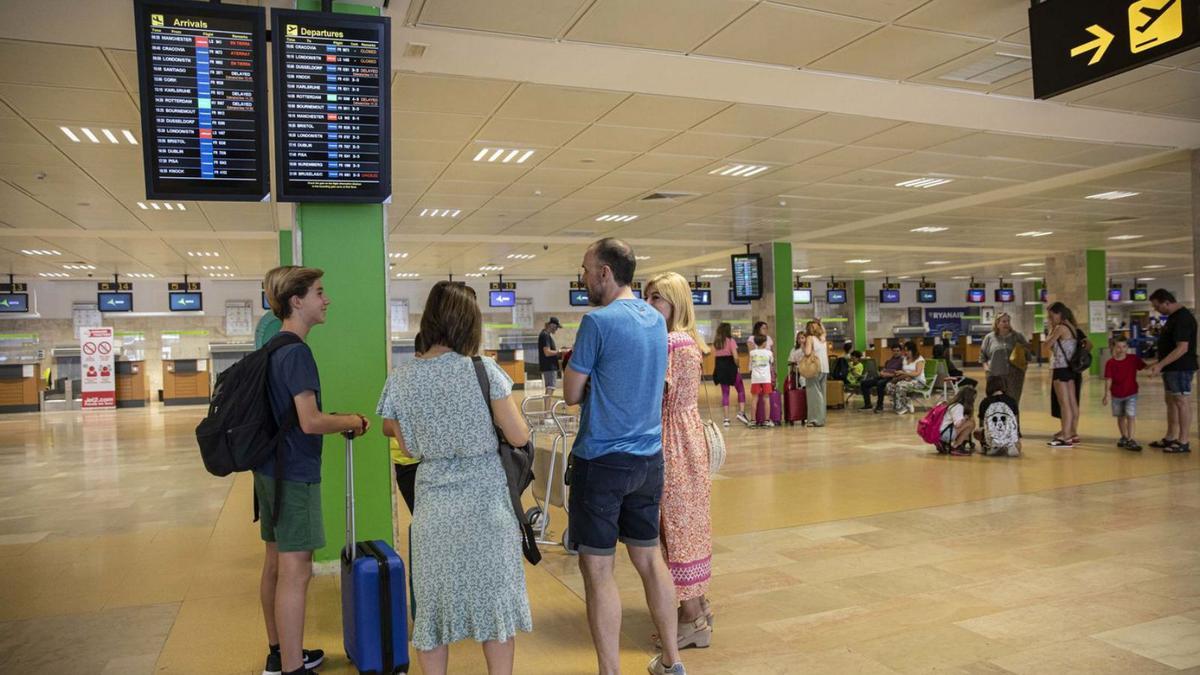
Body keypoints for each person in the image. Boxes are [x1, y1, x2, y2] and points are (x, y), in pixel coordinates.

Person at [375, 281, 533, 675]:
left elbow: (407, 447)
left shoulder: (402, 378)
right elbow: (519, 436)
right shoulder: (485, 371)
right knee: (494, 611)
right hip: (487, 510)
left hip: (434, 512)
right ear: (469, 324)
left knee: (433, 617)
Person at [562, 238, 685, 675]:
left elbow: (572, 394)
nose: (583, 278)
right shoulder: (655, 320)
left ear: (605, 274)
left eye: (586, 269)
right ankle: (672, 662)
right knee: (650, 560)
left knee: (598, 573)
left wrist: (581, 373)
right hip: (648, 461)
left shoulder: (596, 322)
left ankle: (610, 672)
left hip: (602, 462)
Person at [257, 266, 372, 675]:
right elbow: (309, 420)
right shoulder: (297, 353)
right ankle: (291, 667)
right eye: (319, 292)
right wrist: (351, 420)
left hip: (269, 471)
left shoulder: (273, 346)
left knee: (275, 561)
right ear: (296, 301)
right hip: (294, 473)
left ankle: (281, 652)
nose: (326, 300)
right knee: (296, 571)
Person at [644, 272, 714, 651]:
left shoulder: (669, 343)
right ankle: (700, 604)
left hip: (670, 439)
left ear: (676, 303)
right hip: (690, 437)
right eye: (648, 297)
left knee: (672, 525)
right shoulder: (691, 341)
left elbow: (652, 394)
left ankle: (689, 619)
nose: (650, 305)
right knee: (689, 521)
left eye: (658, 298)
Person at [1146, 289, 1197, 454]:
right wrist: (1158, 362)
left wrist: (1160, 365)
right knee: (1171, 401)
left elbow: (1182, 348)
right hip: (1171, 368)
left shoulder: (1182, 318)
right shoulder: (1172, 318)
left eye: (1157, 306)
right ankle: (1170, 436)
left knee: (1182, 402)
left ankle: (1183, 441)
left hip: (1180, 368)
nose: (1156, 310)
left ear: (1166, 302)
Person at [383, 332, 426, 513]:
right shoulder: (402, 381)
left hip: (434, 463)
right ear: (417, 355)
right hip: (409, 465)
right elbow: (387, 426)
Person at [1046, 302, 1082, 448]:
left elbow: (1046, 345)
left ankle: (1066, 437)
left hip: (1060, 368)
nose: (1050, 318)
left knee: (1064, 403)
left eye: (1051, 315)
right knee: (1072, 402)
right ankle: (1072, 433)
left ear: (1059, 313)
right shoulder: (1072, 328)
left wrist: (1051, 331)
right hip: (1071, 369)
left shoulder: (1060, 328)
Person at [1103, 335, 1147, 452]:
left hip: (1131, 393)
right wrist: (1106, 394)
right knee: (1121, 416)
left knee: (1131, 416)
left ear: (1127, 347)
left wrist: (1158, 365)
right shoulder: (1110, 363)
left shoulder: (1133, 359)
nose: (1121, 349)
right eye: (1118, 347)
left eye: (1124, 346)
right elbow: (1109, 379)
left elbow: (1144, 366)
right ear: (1113, 348)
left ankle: (1131, 439)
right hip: (1116, 395)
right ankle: (1124, 436)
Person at [979, 312, 1032, 403]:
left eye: (1008, 321)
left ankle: (1014, 417)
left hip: (1014, 376)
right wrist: (987, 370)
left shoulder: (1017, 336)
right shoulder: (989, 338)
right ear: (997, 323)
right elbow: (983, 356)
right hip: (995, 376)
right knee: (996, 403)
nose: (1006, 323)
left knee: (1013, 403)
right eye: (1003, 321)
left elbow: (1028, 355)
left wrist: (1023, 367)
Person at [711, 322, 749, 427]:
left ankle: (726, 419)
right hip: (731, 368)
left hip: (720, 369)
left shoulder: (717, 343)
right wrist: (738, 365)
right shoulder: (731, 341)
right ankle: (741, 413)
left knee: (725, 393)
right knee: (740, 390)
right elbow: (735, 357)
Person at [976, 378, 1021, 457]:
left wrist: (983, 441)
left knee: (976, 432)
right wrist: (1017, 437)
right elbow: (1016, 423)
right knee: (1017, 442)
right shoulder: (1012, 400)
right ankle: (1011, 445)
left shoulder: (984, 402)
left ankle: (989, 446)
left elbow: (982, 425)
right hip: (1008, 434)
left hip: (992, 435)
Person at [798, 321, 829, 428]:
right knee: (822, 394)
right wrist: (821, 323)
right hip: (824, 368)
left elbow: (807, 353)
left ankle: (815, 420)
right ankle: (822, 418)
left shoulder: (810, 338)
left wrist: (802, 344)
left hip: (814, 368)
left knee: (814, 395)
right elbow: (824, 331)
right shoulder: (823, 338)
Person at [886, 341, 926, 416]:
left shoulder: (919, 359)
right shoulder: (904, 359)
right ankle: (904, 402)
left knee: (900, 386)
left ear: (913, 350)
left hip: (918, 382)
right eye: (905, 350)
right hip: (906, 380)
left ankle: (901, 407)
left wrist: (905, 374)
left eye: (908, 350)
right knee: (889, 385)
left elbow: (917, 373)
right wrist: (901, 377)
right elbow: (905, 371)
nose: (906, 352)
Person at [861, 344, 903, 412]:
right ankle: (868, 404)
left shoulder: (902, 361)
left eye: (897, 351)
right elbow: (885, 368)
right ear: (892, 351)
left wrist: (888, 374)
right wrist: (882, 372)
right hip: (883, 376)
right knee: (864, 383)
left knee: (880, 384)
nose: (896, 352)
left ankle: (879, 405)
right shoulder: (890, 360)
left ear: (901, 351)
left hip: (892, 378)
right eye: (894, 351)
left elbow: (900, 373)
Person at [937, 386, 977, 456]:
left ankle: (944, 443)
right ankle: (956, 447)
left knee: (968, 423)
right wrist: (965, 419)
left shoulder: (952, 404)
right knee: (971, 423)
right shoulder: (958, 407)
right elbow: (957, 424)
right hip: (944, 434)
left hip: (940, 432)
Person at [749, 334, 775, 428]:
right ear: (764, 343)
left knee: (754, 399)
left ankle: (753, 421)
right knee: (766, 398)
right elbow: (771, 362)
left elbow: (751, 365)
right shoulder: (769, 353)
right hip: (766, 379)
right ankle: (767, 420)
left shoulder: (752, 353)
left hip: (755, 379)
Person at [538, 317, 563, 396]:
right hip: (549, 366)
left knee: (550, 388)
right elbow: (547, 352)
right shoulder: (545, 335)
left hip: (548, 366)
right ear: (552, 325)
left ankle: (547, 408)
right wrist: (559, 352)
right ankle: (547, 408)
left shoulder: (545, 335)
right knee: (550, 388)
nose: (556, 329)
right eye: (556, 327)